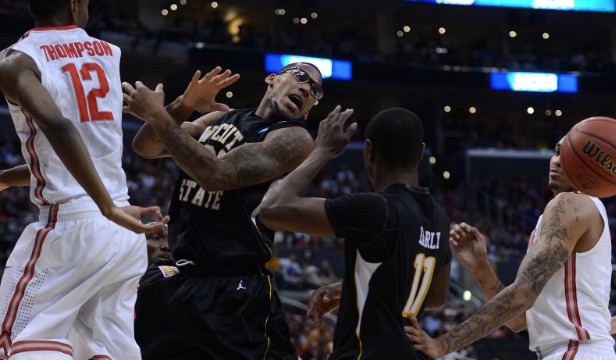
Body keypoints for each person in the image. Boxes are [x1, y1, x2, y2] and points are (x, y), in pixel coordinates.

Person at [123, 62, 336, 359]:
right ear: (272, 79)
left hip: (236, 286)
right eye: (300, 77)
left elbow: (216, 176)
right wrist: (183, 104)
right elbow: (145, 145)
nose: (306, 89)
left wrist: (157, 113)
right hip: (185, 275)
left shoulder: (294, 138)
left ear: (310, 108)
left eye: (314, 91)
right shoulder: (222, 117)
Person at [0, 0, 168, 358]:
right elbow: (72, 148)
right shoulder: (108, 52)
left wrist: (105, 208)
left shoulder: (16, 61)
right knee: (103, 348)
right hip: (123, 229)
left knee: (21, 340)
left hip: (73, 227)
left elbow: (59, 127)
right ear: (76, 6)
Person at [260, 107, 452, 359]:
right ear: (419, 152)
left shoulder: (376, 209)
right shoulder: (438, 215)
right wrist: (349, 289)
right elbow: (437, 296)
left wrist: (321, 152)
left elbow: (272, 210)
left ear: (368, 151)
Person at [404, 134, 616, 359]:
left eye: (569, 156)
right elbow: (518, 320)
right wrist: (481, 267)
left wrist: (443, 344)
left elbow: (522, 294)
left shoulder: (571, 204)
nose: (556, 161)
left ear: (590, 168)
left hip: (576, 351)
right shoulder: (567, 212)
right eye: (556, 152)